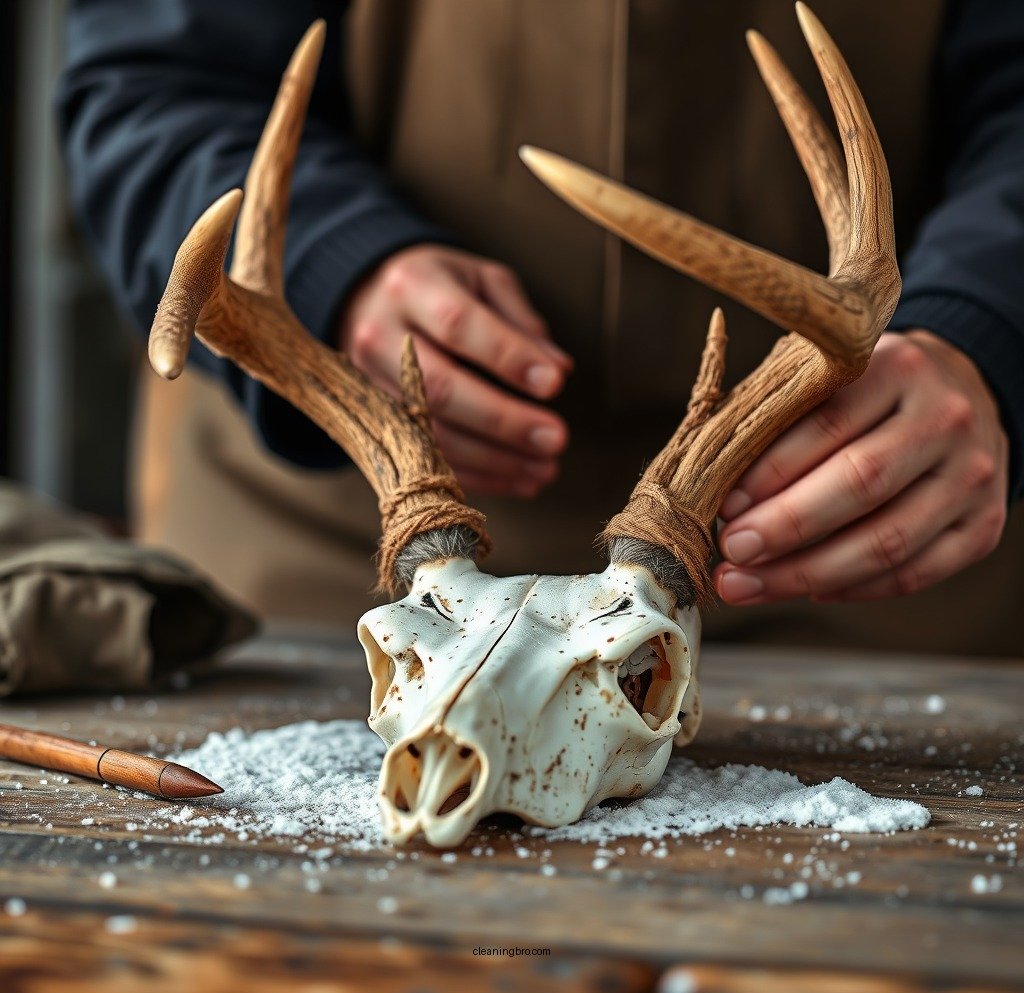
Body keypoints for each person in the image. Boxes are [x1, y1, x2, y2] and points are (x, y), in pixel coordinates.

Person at [57, 0, 1024, 655]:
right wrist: (331, 267)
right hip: (333, 581)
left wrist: (985, 323)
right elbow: (154, 79)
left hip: (876, 569)